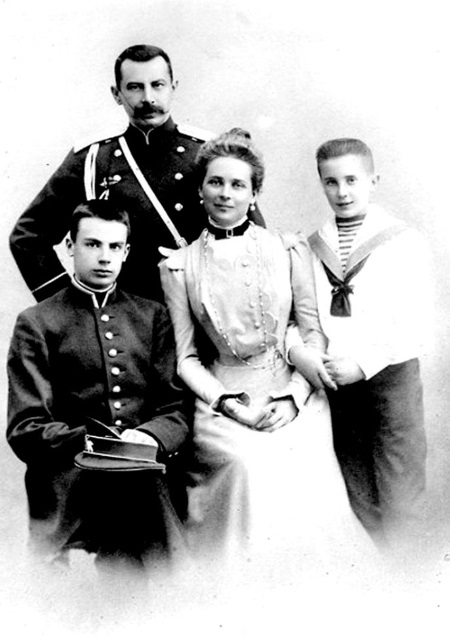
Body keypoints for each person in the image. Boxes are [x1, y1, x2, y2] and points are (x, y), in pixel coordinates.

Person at [159, 129, 375, 577]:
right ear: (200, 189)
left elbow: (312, 334)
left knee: (296, 461)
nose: (226, 193)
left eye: (238, 185)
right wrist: (226, 403)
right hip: (222, 397)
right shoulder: (179, 266)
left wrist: (293, 396)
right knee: (246, 464)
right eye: (216, 182)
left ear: (254, 193)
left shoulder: (288, 249)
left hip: (294, 392)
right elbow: (186, 358)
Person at [7, 200, 191, 572]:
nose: (104, 257)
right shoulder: (37, 322)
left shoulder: (151, 316)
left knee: (149, 512)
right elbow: (26, 428)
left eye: (114, 246)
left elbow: (174, 410)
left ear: (126, 252)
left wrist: (149, 437)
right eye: (92, 244)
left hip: (143, 474)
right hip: (70, 478)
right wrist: (96, 443)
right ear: (70, 246)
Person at [9, 44, 264, 304]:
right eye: (134, 87)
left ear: (173, 87)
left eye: (157, 85)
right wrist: (72, 306)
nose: (147, 98)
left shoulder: (208, 154)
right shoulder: (94, 159)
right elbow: (27, 237)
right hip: (128, 317)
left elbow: (255, 238)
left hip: (204, 310)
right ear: (116, 94)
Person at [306, 138, 430, 546]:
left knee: (400, 487)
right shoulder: (316, 245)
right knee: (356, 487)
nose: (342, 192)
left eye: (352, 180)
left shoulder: (401, 241)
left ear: (373, 181)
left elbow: (413, 320)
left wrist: (363, 363)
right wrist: (322, 360)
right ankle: (378, 573)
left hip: (389, 376)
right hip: (339, 382)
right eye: (331, 182)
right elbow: (310, 313)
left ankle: (408, 570)